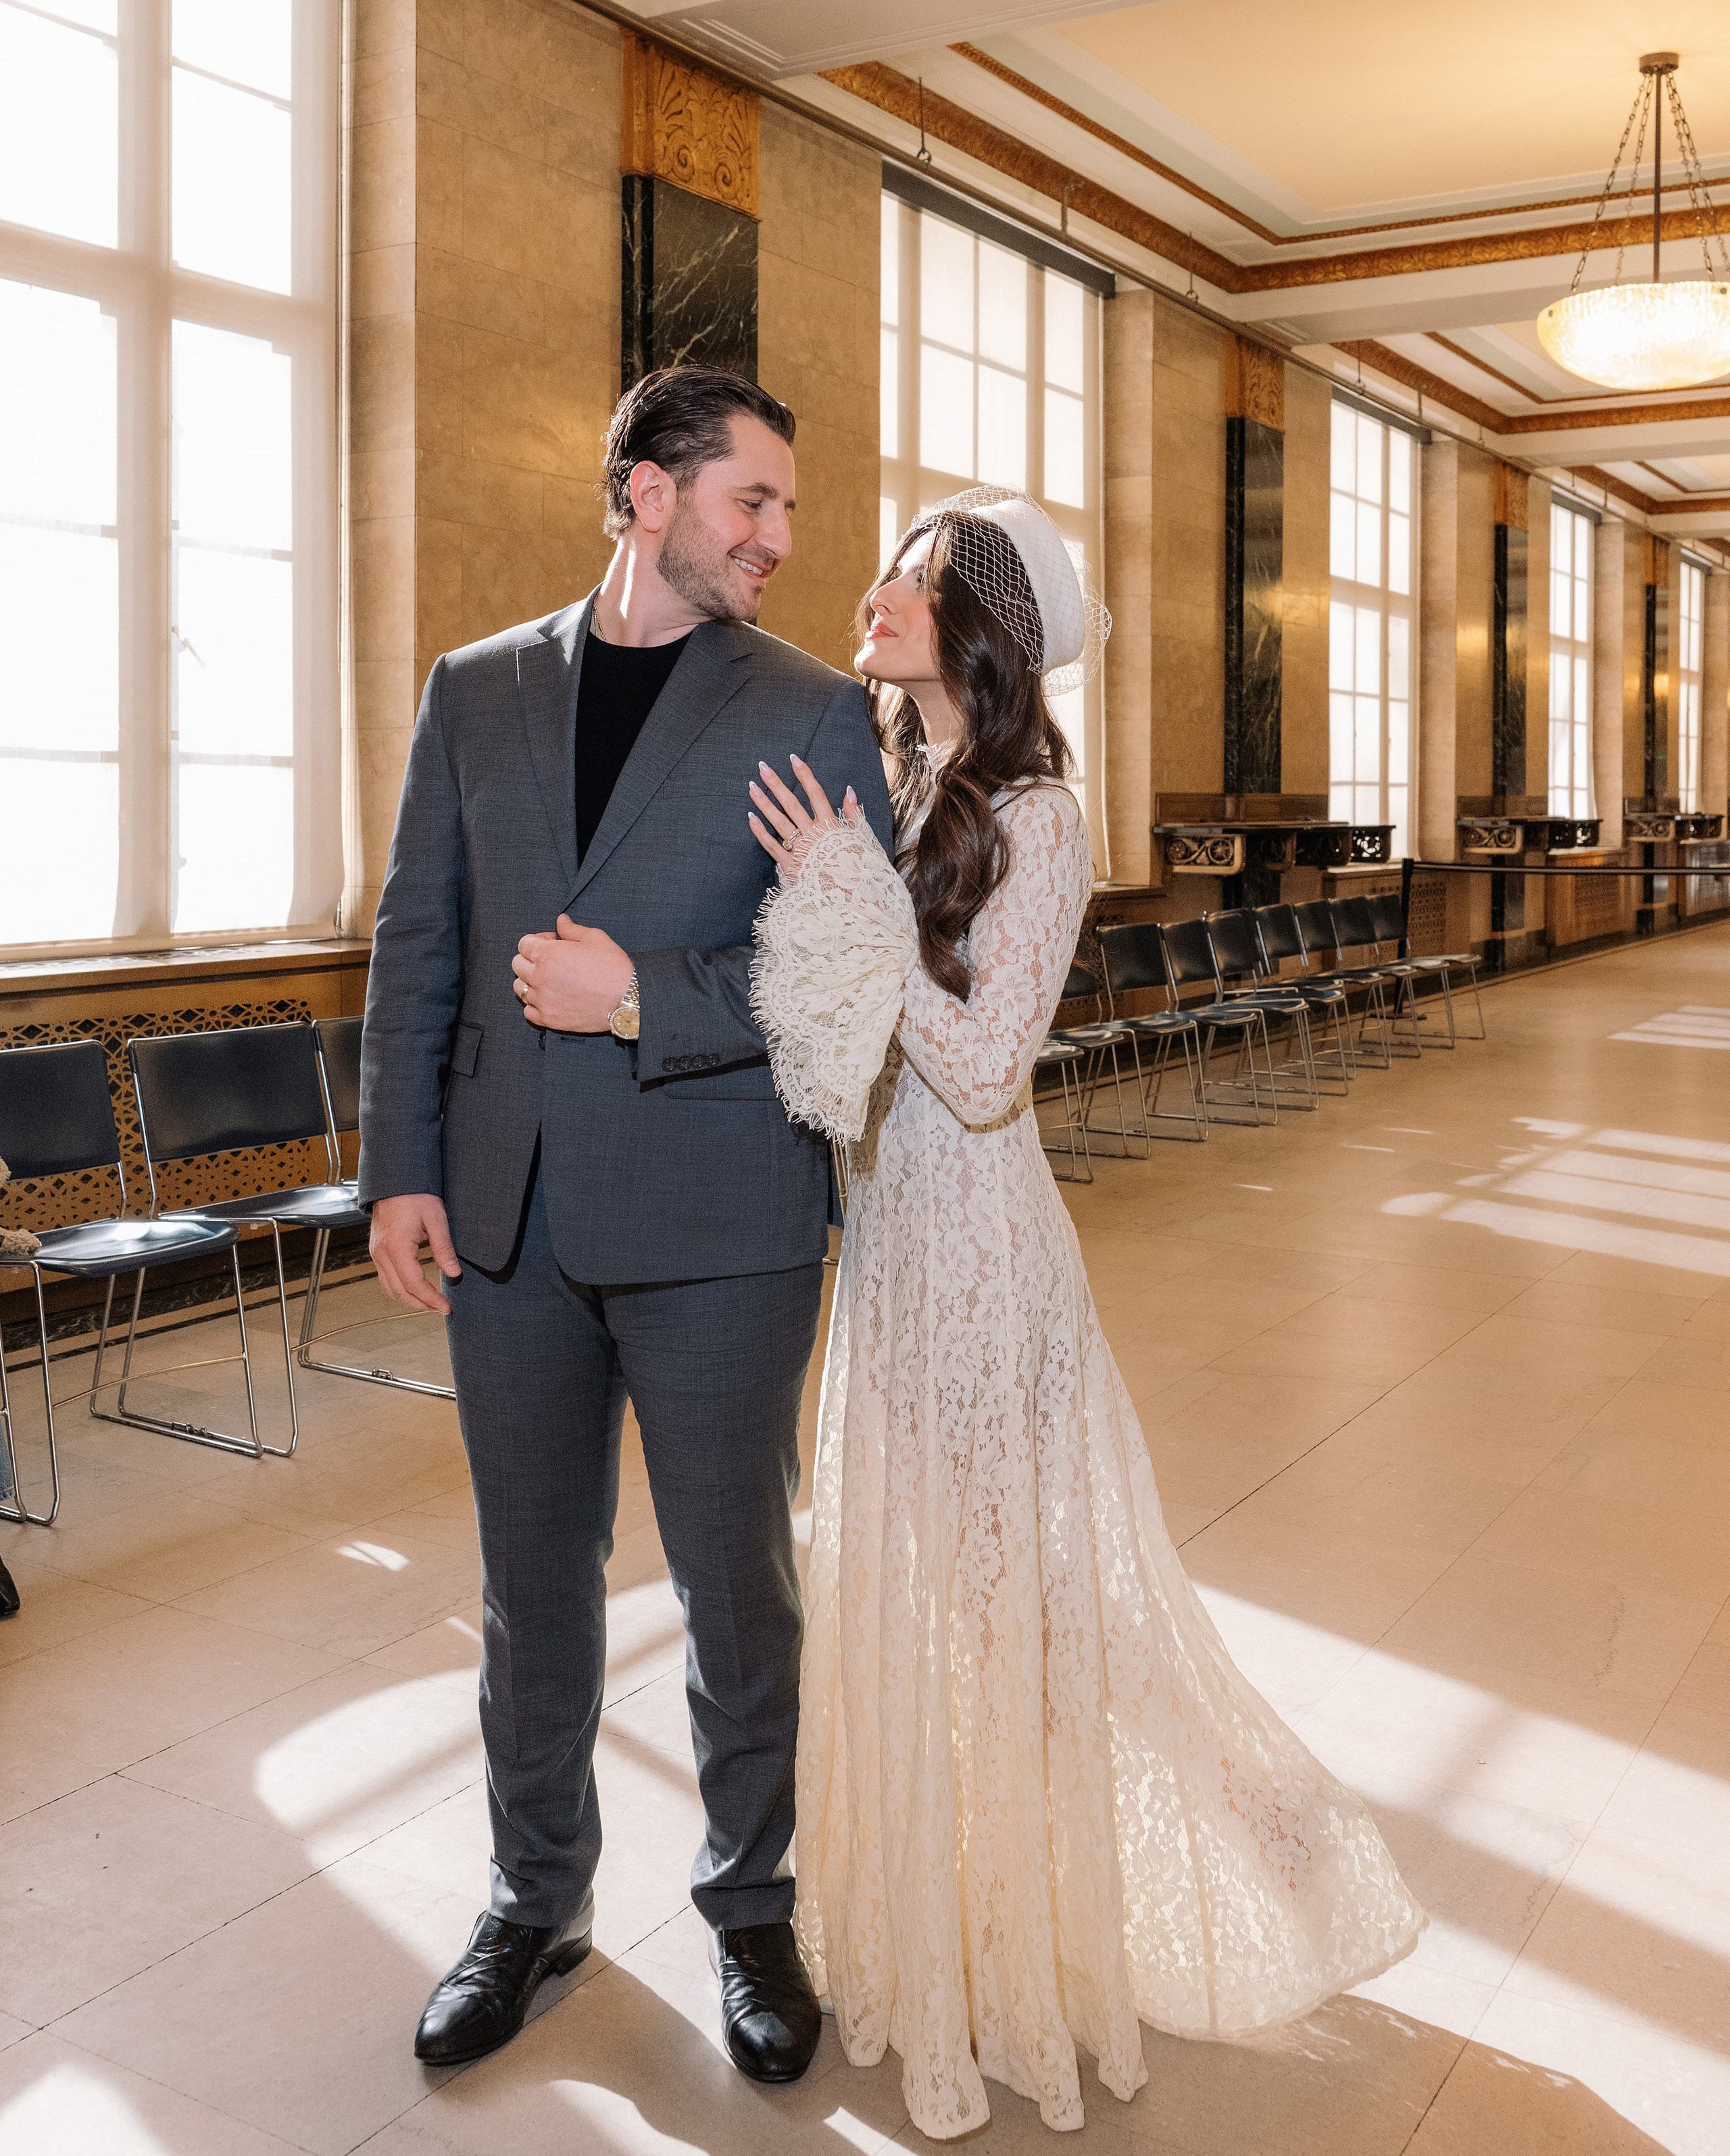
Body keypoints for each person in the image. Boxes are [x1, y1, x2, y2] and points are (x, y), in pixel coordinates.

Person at [747, 487, 1425, 2140]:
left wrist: (848, 901)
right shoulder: (905, 789)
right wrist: (841, 901)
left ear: (973, 624)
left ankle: (1056, 1937)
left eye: (904, 578)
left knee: (1008, 1612)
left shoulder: (1038, 817)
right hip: (891, 1244)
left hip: (980, 1252)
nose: (870, 591)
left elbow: (981, 1072)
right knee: (914, 1587)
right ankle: (938, 1925)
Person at [357, 365, 893, 2083]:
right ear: (648, 495)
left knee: (739, 1587)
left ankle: (750, 1908)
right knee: (531, 1587)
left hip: (722, 1217)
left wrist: (634, 996)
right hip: (503, 1219)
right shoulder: (476, 689)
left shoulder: (811, 712)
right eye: (754, 502)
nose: (781, 541)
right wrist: (403, 1166)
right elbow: (417, 945)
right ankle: (533, 1901)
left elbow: (845, 983)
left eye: (788, 511)